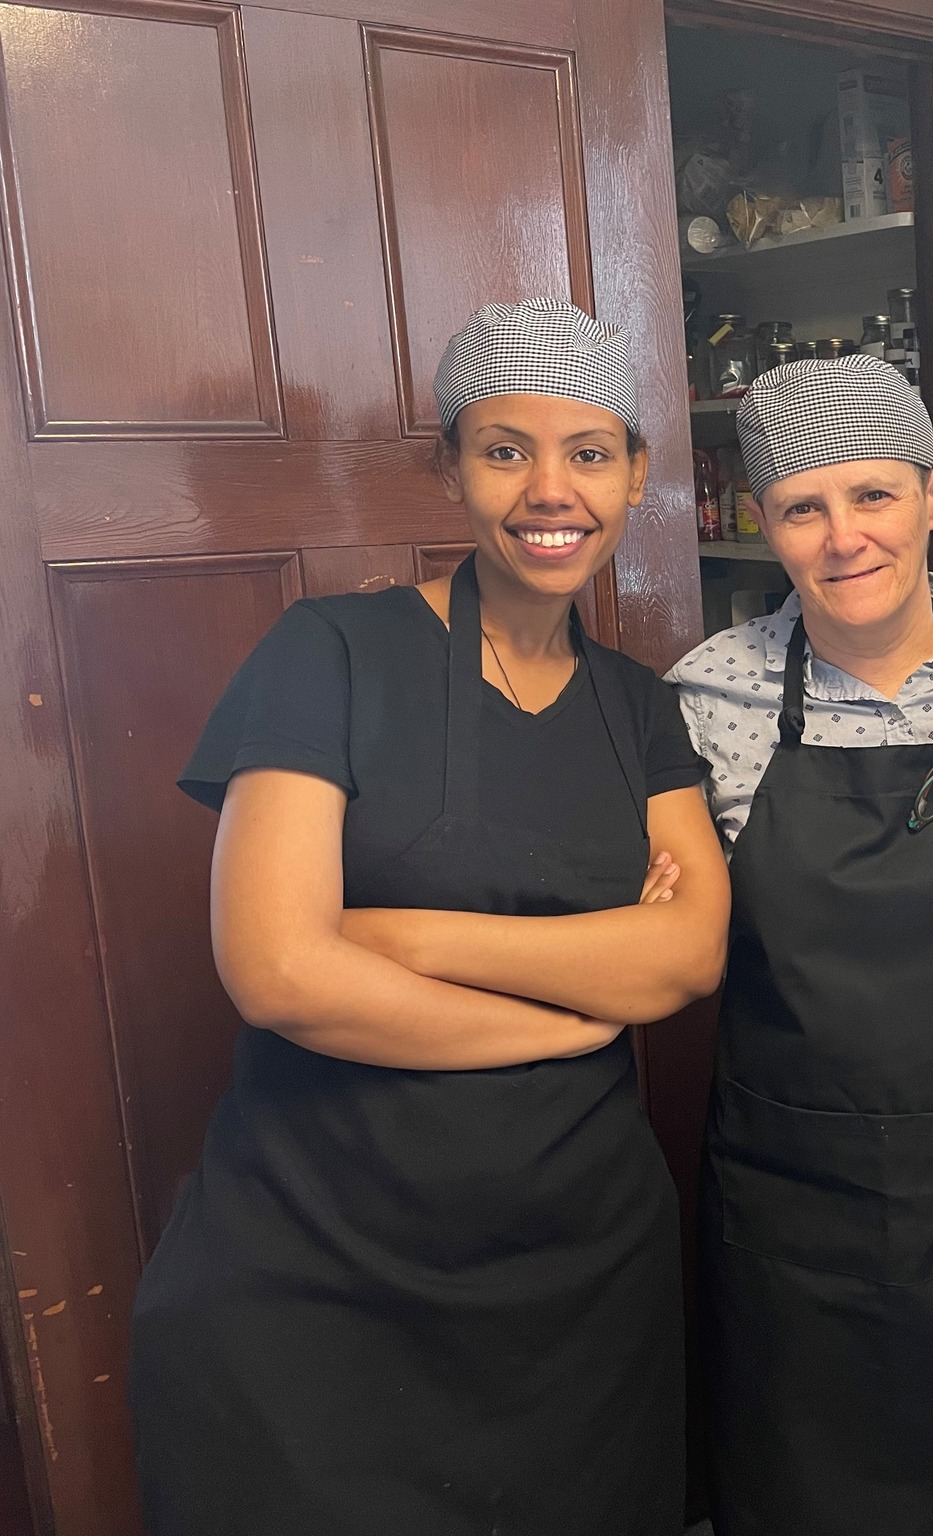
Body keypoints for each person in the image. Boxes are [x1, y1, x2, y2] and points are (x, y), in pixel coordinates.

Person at [129, 297, 730, 1535]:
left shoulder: (638, 709)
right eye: (505, 450)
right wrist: (563, 1019)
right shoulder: (329, 654)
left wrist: (393, 936)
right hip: (319, 1278)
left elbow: (686, 953)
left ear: (634, 476)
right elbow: (282, 974)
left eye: (589, 453)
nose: (548, 490)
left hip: (578, 1292)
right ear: (449, 466)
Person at [668, 353, 933, 1536]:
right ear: (766, 521)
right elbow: (655, 934)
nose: (842, 536)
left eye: (873, 496)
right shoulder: (704, 699)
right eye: (803, 507)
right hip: (792, 1222)